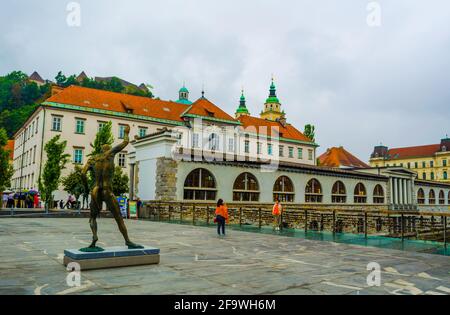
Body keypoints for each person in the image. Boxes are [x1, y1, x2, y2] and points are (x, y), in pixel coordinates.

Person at [81, 124, 142, 249]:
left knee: (92, 217)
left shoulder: (92, 159)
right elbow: (125, 142)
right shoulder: (110, 154)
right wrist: (126, 132)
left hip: (95, 190)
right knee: (118, 218)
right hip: (107, 191)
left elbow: (82, 174)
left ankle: (94, 236)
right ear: (107, 149)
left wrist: (87, 188)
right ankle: (127, 240)